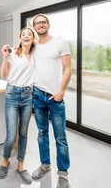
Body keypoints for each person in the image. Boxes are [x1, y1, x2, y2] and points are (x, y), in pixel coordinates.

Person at [31, 14, 72, 188]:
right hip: (38, 95)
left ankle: (63, 174)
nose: (40, 25)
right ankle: (45, 165)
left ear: (48, 24)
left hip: (55, 97)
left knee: (60, 137)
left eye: (43, 22)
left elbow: (68, 67)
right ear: (34, 27)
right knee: (42, 134)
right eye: (37, 23)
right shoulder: (32, 46)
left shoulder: (60, 43)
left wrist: (61, 91)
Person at [0, 27, 36, 184]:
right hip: (12, 95)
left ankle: (21, 166)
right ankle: (5, 162)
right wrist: (5, 57)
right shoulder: (13, 52)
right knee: (11, 136)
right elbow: (4, 75)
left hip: (28, 96)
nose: (26, 36)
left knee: (24, 133)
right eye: (23, 34)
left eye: (29, 34)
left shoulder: (35, 55)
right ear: (20, 38)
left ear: (33, 39)